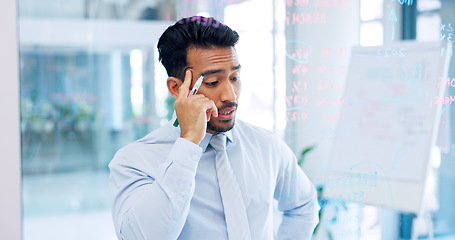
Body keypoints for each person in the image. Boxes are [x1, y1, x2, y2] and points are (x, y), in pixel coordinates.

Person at [109, 16, 319, 240]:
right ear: (176, 88)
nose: (230, 95)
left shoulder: (265, 145)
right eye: (212, 82)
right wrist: (188, 142)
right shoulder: (134, 161)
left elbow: (303, 206)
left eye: (235, 77)